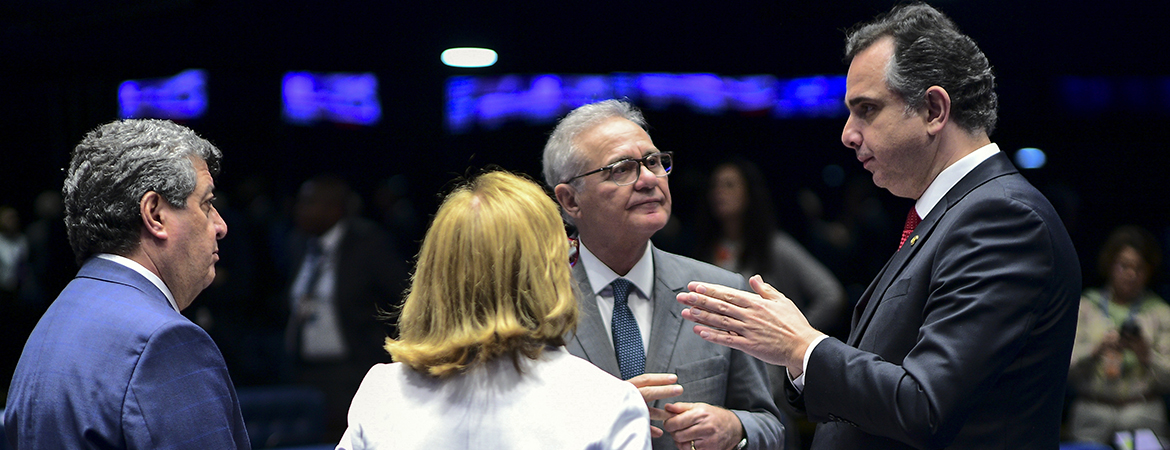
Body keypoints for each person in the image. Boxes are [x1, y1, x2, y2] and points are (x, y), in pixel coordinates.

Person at [676, 3, 1081, 449]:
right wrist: (797, 361)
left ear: (933, 109)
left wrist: (801, 346)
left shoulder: (1003, 218)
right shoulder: (950, 214)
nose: (848, 134)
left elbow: (924, 405)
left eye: (866, 109)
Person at [336, 171, 651, 450]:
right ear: (548, 273)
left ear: (433, 274)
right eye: (569, 253)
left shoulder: (380, 393)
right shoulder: (609, 405)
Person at [544, 99, 784, 450]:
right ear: (570, 201)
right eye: (622, 169)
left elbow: (771, 427)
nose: (647, 180)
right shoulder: (531, 305)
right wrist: (598, 417)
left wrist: (736, 428)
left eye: (653, 162)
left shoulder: (719, 292)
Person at [3, 119, 250, 449]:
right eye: (206, 204)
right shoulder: (164, 341)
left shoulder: (53, 321)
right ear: (155, 215)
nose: (220, 226)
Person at [281, 174, 408, 440]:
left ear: (334, 209)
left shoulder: (368, 243)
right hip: (305, 371)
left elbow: (402, 298)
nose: (299, 210)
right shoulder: (298, 244)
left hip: (352, 370)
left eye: (309, 203)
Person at [1069, 225, 1170, 444]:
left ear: (1150, 271)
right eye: (1124, 266)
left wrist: (1146, 355)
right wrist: (1095, 350)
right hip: (1093, 411)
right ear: (1110, 264)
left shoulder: (1161, 312)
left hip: (1141, 411)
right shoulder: (1085, 307)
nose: (1131, 274)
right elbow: (1061, 368)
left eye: (1139, 268)